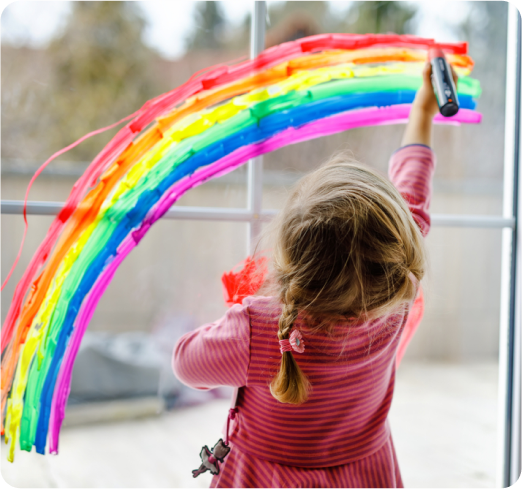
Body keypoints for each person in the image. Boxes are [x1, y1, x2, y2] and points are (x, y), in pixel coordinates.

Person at [172, 61, 455, 488]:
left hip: (263, 477)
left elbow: (186, 364)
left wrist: (237, 312)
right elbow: (413, 192)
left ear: (288, 260)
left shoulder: (258, 327)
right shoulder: (396, 289)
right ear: (399, 249)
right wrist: (422, 113)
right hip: (364, 473)